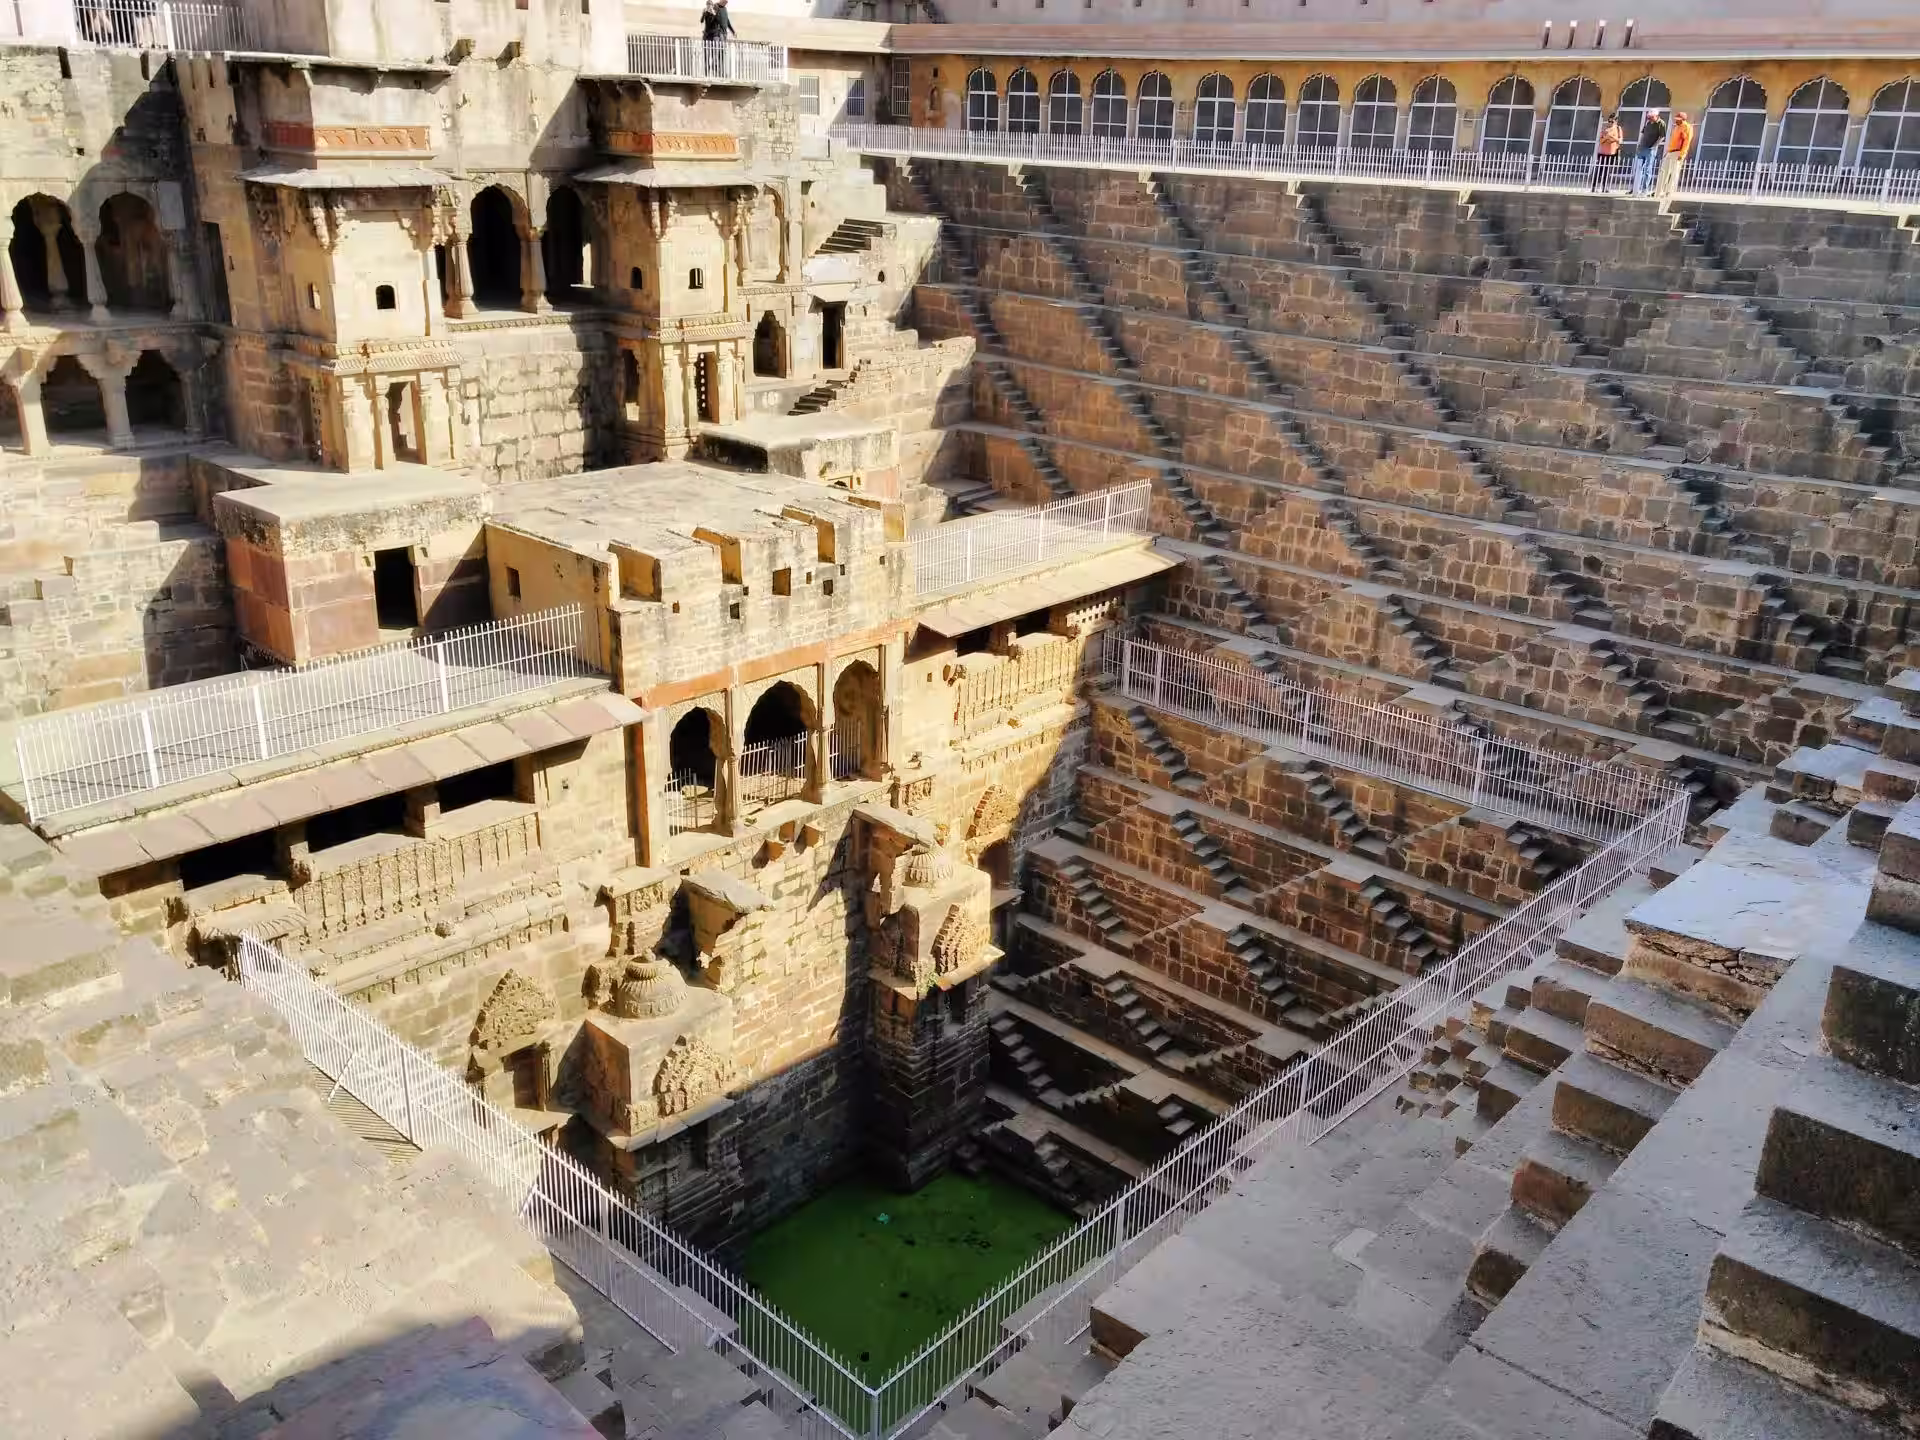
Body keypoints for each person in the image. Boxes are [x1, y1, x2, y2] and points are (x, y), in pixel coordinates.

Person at [1658, 110, 1694, 198]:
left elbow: (1686, 142)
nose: (1676, 121)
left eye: (1678, 119)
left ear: (1683, 119)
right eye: (1676, 119)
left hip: (1678, 152)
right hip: (1671, 152)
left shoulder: (1687, 127)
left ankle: (1669, 192)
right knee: (1664, 172)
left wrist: (1682, 154)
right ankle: (1659, 191)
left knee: (1674, 173)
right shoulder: (1677, 127)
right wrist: (1667, 152)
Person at [1632, 109, 1667, 195]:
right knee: (1638, 168)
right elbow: (1643, 134)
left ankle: (1644, 189)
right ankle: (1635, 188)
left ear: (1656, 116)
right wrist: (1639, 145)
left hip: (1650, 149)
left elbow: (1662, 137)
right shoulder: (1648, 123)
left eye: (1651, 117)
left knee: (1647, 170)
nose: (1650, 119)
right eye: (1649, 117)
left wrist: (1654, 146)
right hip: (1643, 147)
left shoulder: (1661, 123)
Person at [1593, 113, 1625, 191]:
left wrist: (1611, 137)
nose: (1610, 123)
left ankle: (1604, 187)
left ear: (1615, 121)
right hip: (1602, 152)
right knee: (1599, 169)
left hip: (1611, 152)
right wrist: (1606, 138)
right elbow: (1600, 140)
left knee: (1607, 170)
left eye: (1612, 122)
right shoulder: (1604, 128)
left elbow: (1620, 141)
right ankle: (1594, 186)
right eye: (1609, 121)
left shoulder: (1618, 128)